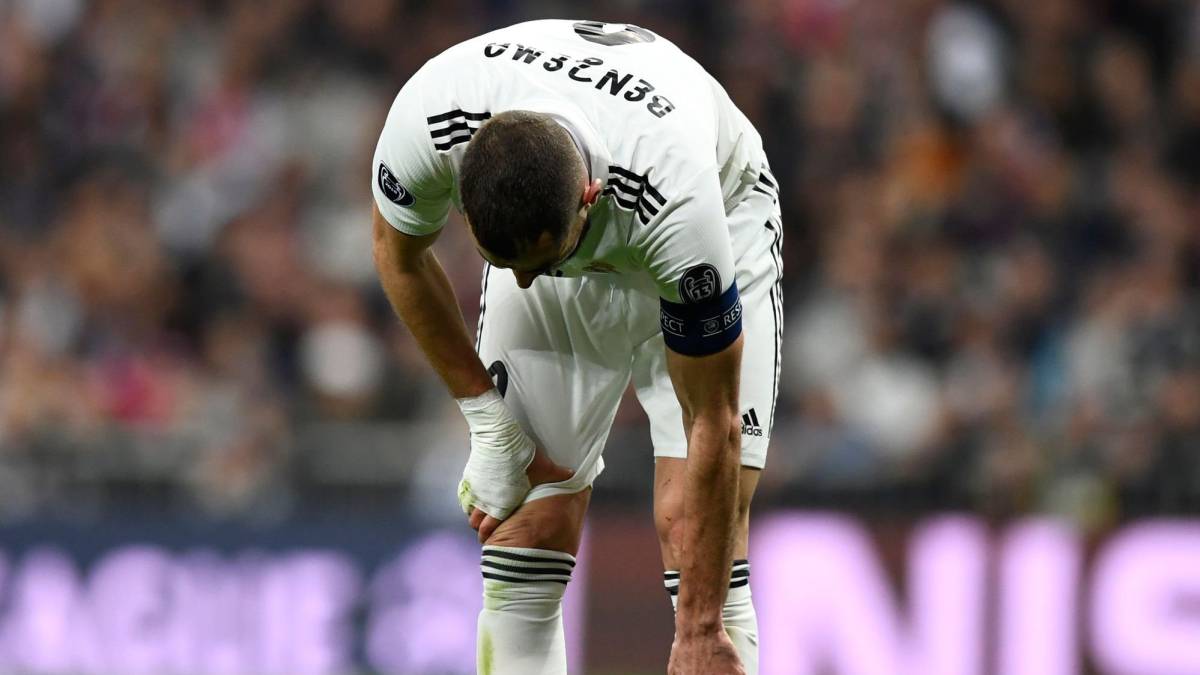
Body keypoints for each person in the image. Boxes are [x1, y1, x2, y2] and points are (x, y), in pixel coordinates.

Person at [370, 19, 781, 675]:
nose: (524, 281)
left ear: (588, 198)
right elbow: (398, 254)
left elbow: (714, 419)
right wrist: (487, 419)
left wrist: (699, 630)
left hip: (720, 213)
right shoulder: (433, 116)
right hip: (590, 216)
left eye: (537, 261)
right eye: (498, 261)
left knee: (701, 540)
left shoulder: (678, 207)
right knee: (527, 522)